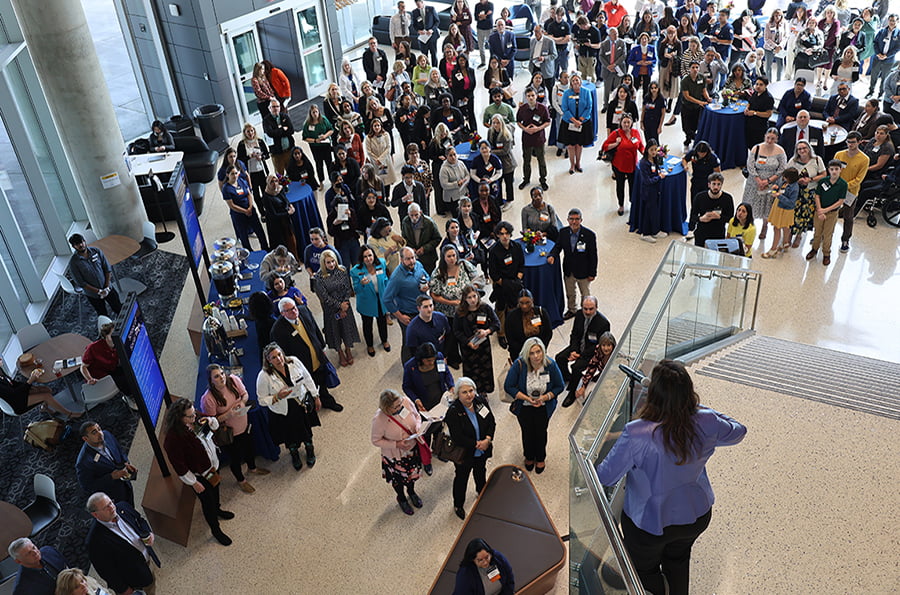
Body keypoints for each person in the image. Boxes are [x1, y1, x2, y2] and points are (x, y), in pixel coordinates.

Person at [595, 360, 747, 595]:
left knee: (645, 570)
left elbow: (605, 477)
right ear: (688, 392)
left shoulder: (637, 433)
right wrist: (696, 408)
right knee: (678, 560)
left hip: (648, 523)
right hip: (695, 514)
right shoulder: (707, 421)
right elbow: (738, 430)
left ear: (653, 395)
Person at [162, 398, 234, 546]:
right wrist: (193, 483)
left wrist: (210, 421)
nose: (194, 417)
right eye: (190, 416)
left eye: (194, 413)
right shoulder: (173, 439)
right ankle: (215, 529)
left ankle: (218, 510)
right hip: (200, 475)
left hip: (212, 466)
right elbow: (179, 466)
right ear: (180, 417)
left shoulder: (196, 418)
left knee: (216, 490)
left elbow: (214, 426)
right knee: (208, 502)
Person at [200, 364, 268, 493]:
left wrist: (242, 403)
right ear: (211, 381)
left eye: (222, 373)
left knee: (249, 449)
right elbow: (211, 422)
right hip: (230, 435)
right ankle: (241, 480)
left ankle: (252, 468)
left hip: (244, 425)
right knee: (235, 459)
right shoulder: (208, 399)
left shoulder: (233, 380)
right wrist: (228, 414)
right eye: (216, 376)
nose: (222, 377)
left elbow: (245, 394)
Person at [270, 297, 344, 411]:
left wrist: (322, 346)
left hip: (316, 357)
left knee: (322, 381)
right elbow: (283, 353)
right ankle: (311, 405)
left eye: (294, 307)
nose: (294, 311)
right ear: (282, 313)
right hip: (302, 365)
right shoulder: (277, 331)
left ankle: (327, 401)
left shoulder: (304, 311)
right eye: (289, 310)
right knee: (307, 386)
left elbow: (315, 329)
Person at [256, 342, 320, 470]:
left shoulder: (294, 362)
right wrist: (277, 397)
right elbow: (261, 400)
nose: (278, 359)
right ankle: (294, 453)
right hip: (282, 411)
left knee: (306, 430)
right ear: (268, 360)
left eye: (279, 355)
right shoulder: (264, 376)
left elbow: (307, 378)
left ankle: (309, 449)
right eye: (273, 357)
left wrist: (315, 396)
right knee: (289, 435)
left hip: (300, 404)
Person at [504, 337, 564, 473]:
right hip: (524, 406)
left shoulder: (550, 365)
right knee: (527, 432)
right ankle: (529, 456)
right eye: (532, 353)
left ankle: (541, 457)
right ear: (526, 354)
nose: (536, 356)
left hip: (544, 407)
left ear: (543, 351)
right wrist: (527, 398)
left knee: (541, 432)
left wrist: (545, 398)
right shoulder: (519, 364)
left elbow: (559, 386)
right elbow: (509, 386)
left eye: (538, 352)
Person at [85, 492, 159, 595]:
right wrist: (123, 589)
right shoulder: (94, 541)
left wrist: (149, 533)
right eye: (106, 507)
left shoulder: (123, 507)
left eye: (111, 502)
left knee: (151, 585)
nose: (112, 507)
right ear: (95, 514)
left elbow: (140, 520)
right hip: (134, 577)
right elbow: (106, 571)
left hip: (146, 561)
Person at [445, 376, 495, 519]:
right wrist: (477, 444)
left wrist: (487, 439)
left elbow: (491, 422)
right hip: (465, 453)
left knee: (481, 472)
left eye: (471, 390)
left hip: (482, 450)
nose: (469, 395)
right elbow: (457, 437)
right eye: (464, 392)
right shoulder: (453, 411)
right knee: (462, 479)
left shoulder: (480, 402)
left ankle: (481, 492)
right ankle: (458, 504)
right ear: (458, 394)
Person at [371, 388, 425, 515]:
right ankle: (401, 498)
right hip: (395, 456)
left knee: (411, 476)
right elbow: (375, 440)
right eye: (396, 407)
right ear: (387, 408)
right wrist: (396, 444)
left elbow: (417, 416)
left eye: (400, 403)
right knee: (398, 480)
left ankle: (411, 492)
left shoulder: (405, 401)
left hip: (412, 450)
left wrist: (418, 426)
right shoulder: (379, 419)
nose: (401, 407)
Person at [556, 296, 611, 407]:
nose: (588, 312)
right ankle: (567, 377)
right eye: (585, 309)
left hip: (592, 352)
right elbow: (574, 334)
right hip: (578, 347)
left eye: (591, 309)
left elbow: (599, 345)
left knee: (576, 367)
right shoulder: (579, 315)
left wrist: (580, 355)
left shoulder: (603, 323)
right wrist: (574, 350)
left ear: (596, 307)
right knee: (559, 358)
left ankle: (572, 393)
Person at [548, 207, 597, 319]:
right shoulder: (563, 232)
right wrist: (552, 255)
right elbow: (558, 246)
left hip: (584, 272)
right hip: (569, 270)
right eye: (571, 219)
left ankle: (586, 311)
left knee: (585, 294)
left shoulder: (589, 235)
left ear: (581, 220)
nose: (574, 222)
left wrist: (592, 273)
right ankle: (572, 310)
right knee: (570, 293)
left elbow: (593, 256)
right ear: (568, 220)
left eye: (577, 219)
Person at [384, 246, 430, 361]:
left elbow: (426, 276)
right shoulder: (396, 278)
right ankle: (408, 366)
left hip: (422, 311)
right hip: (408, 315)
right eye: (408, 259)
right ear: (401, 259)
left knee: (423, 338)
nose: (412, 261)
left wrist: (427, 284)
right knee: (409, 343)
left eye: (413, 257)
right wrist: (400, 317)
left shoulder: (418, 265)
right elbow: (386, 299)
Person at [76, 421, 137, 506]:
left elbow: (119, 450)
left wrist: (126, 462)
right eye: (94, 432)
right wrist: (111, 477)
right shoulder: (84, 462)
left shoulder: (107, 435)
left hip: (125, 483)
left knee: (131, 504)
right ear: (85, 439)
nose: (100, 433)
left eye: (99, 429)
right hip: (113, 494)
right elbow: (88, 486)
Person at [454, 283, 500, 395]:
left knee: (485, 369)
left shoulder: (485, 308)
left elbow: (496, 323)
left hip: (484, 346)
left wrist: (487, 331)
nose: (473, 300)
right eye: (469, 297)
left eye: (474, 296)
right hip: (468, 348)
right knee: (471, 372)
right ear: (465, 299)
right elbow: (456, 331)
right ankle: (472, 393)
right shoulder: (460, 312)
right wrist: (468, 342)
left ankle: (484, 392)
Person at [0, 355, 81, 419]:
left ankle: (44, 408)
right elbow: (14, 395)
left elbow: (12, 383)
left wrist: (30, 387)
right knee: (46, 396)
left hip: (15, 394)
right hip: (15, 404)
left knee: (46, 390)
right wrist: (30, 381)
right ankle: (69, 414)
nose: (1, 359)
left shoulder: (0, 370)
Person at [743, 128, 788, 241]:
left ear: (776, 139)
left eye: (772, 139)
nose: (769, 141)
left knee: (767, 205)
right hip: (754, 182)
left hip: (772, 182)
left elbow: (782, 168)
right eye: (768, 138)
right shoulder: (756, 148)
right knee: (751, 204)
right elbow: (750, 165)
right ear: (764, 136)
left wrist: (768, 181)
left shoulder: (780, 151)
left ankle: (765, 226)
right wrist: (758, 180)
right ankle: (749, 225)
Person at [486, 221, 523, 348]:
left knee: (513, 307)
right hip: (501, 285)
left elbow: (521, 265)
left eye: (507, 233)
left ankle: (512, 330)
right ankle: (501, 334)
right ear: (497, 235)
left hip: (514, 282)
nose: (504, 236)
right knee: (501, 309)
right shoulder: (493, 251)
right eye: (501, 234)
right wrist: (507, 285)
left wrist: (516, 281)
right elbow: (493, 273)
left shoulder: (516, 247)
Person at [350, 245, 391, 357]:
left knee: (382, 321)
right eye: (365, 257)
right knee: (367, 324)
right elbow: (356, 290)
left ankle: (384, 340)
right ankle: (370, 345)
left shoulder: (381, 263)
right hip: (366, 301)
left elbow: (386, 280)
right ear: (361, 258)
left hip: (381, 299)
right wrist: (361, 284)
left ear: (374, 255)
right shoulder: (355, 271)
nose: (368, 259)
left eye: (370, 255)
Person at [805, 159, 848, 266]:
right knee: (817, 232)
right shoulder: (823, 181)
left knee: (828, 234)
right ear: (828, 170)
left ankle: (826, 254)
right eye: (832, 169)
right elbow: (817, 196)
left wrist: (825, 210)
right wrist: (820, 210)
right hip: (819, 211)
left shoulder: (843, 184)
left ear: (840, 170)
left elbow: (840, 201)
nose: (834, 171)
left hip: (832, 213)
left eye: (836, 169)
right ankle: (814, 249)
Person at [834, 132, 870, 254]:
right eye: (848, 142)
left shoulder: (864, 159)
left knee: (848, 217)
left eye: (853, 142)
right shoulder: (839, 154)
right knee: (829, 213)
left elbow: (859, 179)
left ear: (859, 142)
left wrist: (843, 187)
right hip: (836, 189)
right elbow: (834, 171)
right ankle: (823, 235)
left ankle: (845, 240)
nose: (850, 144)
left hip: (851, 192)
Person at [67, 233, 121, 316]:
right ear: (74, 246)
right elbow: (81, 283)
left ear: (84, 241)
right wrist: (99, 291)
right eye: (77, 244)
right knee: (103, 315)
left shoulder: (96, 251)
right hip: (93, 295)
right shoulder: (73, 263)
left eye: (81, 242)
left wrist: (106, 287)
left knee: (119, 309)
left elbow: (107, 269)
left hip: (108, 288)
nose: (80, 245)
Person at [787, 140, 827, 249]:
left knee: (804, 214)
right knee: (793, 213)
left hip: (810, 192)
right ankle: (790, 233)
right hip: (795, 192)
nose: (802, 150)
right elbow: (786, 175)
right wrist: (796, 180)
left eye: (804, 148)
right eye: (799, 149)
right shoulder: (793, 161)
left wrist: (811, 179)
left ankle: (799, 235)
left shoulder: (817, 160)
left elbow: (824, 174)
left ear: (809, 149)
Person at [80, 321, 132, 400]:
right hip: (99, 378)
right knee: (124, 381)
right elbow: (83, 367)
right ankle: (129, 397)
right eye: (111, 336)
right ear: (105, 336)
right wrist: (90, 379)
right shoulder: (93, 348)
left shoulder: (118, 344)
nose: (115, 338)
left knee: (130, 372)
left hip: (111, 368)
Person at [222, 164, 269, 252]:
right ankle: (249, 252)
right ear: (227, 175)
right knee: (243, 235)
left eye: (236, 173)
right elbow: (232, 205)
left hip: (250, 210)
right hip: (238, 214)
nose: (235, 176)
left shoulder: (241, 181)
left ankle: (265, 248)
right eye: (232, 174)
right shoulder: (226, 188)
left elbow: (249, 194)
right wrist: (245, 211)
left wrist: (250, 207)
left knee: (259, 231)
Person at [515, 86, 551, 191]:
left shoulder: (542, 108)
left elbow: (548, 121)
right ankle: (526, 179)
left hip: (539, 138)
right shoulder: (522, 109)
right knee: (526, 160)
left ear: (536, 96)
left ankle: (543, 180)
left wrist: (538, 128)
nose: (531, 98)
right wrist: (525, 129)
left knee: (541, 160)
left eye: (532, 95)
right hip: (526, 138)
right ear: (526, 97)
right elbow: (518, 121)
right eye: (528, 96)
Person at [681, 141, 722, 231]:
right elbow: (684, 159)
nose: (701, 155)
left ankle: (704, 226)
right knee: (694, 204)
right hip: (696, 181)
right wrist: (685, 166)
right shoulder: (693, 153)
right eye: (699, 153)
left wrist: (714, 185)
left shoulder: (713, 158)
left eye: (703, 153)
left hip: (707, 184)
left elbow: (717, 173)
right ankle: (691, 227)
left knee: (705, 205)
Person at [761, 167, 800, 258]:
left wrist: (779, 196)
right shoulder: (785, 183)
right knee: (785, 226)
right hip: (779, 206)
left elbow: (791, 202)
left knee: (777, 228)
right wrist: (776, 188)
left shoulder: (794, 188)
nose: (783, 179)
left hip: (785, 210)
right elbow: (781, 188)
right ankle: (785, 243)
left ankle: (773, 249)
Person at [503, 288, 552, 361]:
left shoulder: (541, 312)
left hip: (539, 351)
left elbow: (548, 332)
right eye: (521, 303)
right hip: (520, 353)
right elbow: (510, 338)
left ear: (532, 300)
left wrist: (540, 348)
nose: (524, 306)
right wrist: (526, 351)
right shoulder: (511, 317)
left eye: (527, 302)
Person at [559, 73, 593, 175]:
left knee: (579, 145)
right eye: (573, 80)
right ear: (570, 83)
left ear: (580, 81)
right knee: (570, 146)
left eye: (577, 80)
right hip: (569, 122)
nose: (575, 82)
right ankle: (572, 165)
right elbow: (565, 108)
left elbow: (589, 107)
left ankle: (578, 163)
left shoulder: (586, 92)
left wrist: (580, 120)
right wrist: (575, 121)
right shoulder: (566, 93)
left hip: (583, 122)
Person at [635, 141, 669, 243]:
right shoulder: (644, 163)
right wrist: (659, 177)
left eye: (655, 149)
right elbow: (647, 181)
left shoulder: (654, 159)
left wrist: (660, 172)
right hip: (648, 191)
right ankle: (646, 233)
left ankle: (655, 231)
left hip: (655, 190)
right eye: (651, 150)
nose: (654, 152)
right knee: (649, 212)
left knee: (653, 212)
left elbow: (656, 170)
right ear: (647, 150)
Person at [690, 172, 734, 249]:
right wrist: (701, 218)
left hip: (718, 234)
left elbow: (730, 219)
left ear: (721, 185)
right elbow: (692, 216)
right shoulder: (699, 197)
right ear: (709, 185)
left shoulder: (727, 199)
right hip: (702, 233)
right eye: (713, 184)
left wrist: (719, 217)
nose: (716, 187)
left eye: (718, 184)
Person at [261, 175, 298, 259]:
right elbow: (273, 214)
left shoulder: (279, 190)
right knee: (282, 245)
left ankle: (294, 259)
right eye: (272, 182)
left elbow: (285, 200)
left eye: (276, 181)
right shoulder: (266, 197)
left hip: (285, 221)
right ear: (268, 183)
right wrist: (287, 213)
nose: (274, 184)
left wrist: (290, 206)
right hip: (276, 225)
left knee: (292, 242)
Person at [574, 331, 617, 402]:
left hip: (613, 380)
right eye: (603, 345)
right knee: (582, 389)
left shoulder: (617, 356)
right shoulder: (598, 351)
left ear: (613, 345)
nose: (606, 348)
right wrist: (584, 386)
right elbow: (592, 366)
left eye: (609, 345)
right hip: (601, 377)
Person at [406, 293, 452, 358]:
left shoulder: (441, 318)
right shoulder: (412, 328)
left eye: (431, 305)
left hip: (441, 354)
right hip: (426, 359)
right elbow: (413, 350)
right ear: (419, 308)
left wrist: (444, 355)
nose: (429, 309)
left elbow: (449, 336)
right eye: (425, 307)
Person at [401, 202, 441, 273]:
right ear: (408, 214)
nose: (414, 218)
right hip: (413, 259)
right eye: (411, 215)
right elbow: (404, 238)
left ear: (420, 212)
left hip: (428, 258)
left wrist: (424, 248)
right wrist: (410, 248)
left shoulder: (429, 223)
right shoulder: (405, 222)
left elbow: (437, 238)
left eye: (416, 215)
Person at [486, 113, 516, 205]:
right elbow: (489, 144)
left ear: (501, 123)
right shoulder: (490, 131)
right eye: (493, 123)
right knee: (498, 183)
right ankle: (499, 202)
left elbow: (505, 151)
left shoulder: (506, 134)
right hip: (496, 163)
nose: (495, 125)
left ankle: (509, 200)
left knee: (508, 183)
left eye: (497, 123)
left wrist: (491, 152)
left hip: (507, 163)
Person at [680, 61, 711, 148]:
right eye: (693, 67)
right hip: (686, 106)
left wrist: (708, 98)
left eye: (697, 67)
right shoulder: (685, 80)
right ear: (689, 69)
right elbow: (687, 96)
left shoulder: (702, 78)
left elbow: (704, 90)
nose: (695, 69)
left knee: (694, 126)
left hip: (696, 108)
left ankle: (688, 141)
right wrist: (700, 102)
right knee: (686, 127)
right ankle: (697, 139)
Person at [869, 14, 900, 99]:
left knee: (884, 78)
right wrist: (878, 53)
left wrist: (887, 56)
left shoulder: (898, 33)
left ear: (897, 21)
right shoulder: (882, 31)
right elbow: (875, 43)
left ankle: (880, 94)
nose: (892, 22)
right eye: (890, 20)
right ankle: (871, 91)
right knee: (874, 76)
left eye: (894, 21)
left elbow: (898, 47)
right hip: (877, 58)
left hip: (889, 60)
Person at [262, 100, 295, 175]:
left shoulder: (285, 116)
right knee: (280, 175)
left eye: (277, 106)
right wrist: (283, 129)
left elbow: (291, 130)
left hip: (288, 150)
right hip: (277, 153)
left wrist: (277, 132)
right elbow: (270, 133)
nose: (276, 108)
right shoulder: (266, 120)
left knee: (292, 172)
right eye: (273, 107)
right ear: (269, 108)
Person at [744, 77, 775, 149]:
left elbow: (768, 114)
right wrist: (747, 108)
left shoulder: (768, 98)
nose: (758, 86)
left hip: (759, 126)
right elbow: (750, 102)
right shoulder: (756, 93)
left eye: (761, 85)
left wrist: (755, 113)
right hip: (750, 124)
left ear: (766, 85)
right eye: (757, 84)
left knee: (757, 147)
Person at [599, 26, 627, 107]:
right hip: (607, 70)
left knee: (617, 88)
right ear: (609, 35)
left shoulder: (622, 43)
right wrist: (608, 66)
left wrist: (614, 65)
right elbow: (601, 56)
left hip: (618, 69)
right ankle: (605, 105)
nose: (616, 35)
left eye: (617, 34)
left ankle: (616, 104)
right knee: (607, 89)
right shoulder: (604, 44)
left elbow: (624, 55)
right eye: (614, 34)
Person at [546, 6, 572, 77]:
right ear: (556, 15)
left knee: (564, 69)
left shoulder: (566, 25)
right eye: (558, 15)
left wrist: (555, 40)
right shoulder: (551, 25)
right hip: (554, 50)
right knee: (553, 70)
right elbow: (550, 38)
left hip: (563, 50)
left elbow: (568, 38)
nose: (559, 17)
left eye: (561, 15)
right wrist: (560, 39)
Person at [764, 9, 788, 82]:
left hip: (780, 48)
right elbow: (766, 38)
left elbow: (786, 36)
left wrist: (780, 46)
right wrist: (775, 46)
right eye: (776, 15)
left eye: (779, 15)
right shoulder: (768, 24)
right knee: (768, 66)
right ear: (773, 16)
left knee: (780, 65)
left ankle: (779, 81)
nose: (777, 17)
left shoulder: (784, 24)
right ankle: (768, 82)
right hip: (769, 48)